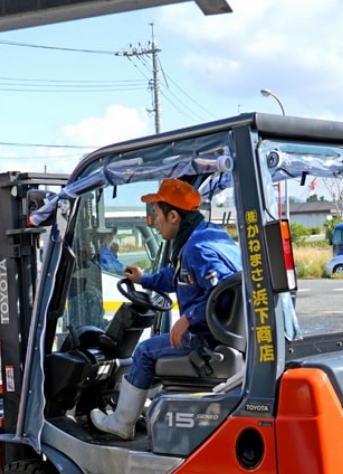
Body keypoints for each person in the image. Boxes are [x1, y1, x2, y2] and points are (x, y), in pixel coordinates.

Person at [90, 178, 242, 440]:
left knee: (145, 352)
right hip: (222, 335)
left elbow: (226, 292)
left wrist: (188, 318)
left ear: (173, 216)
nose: (155, 222)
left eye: (157, 215)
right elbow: (180, 277)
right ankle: (144, 409)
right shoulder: (210, 234)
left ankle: (122, 422)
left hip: (206, 338)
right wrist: (143, 280)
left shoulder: (198, 249)